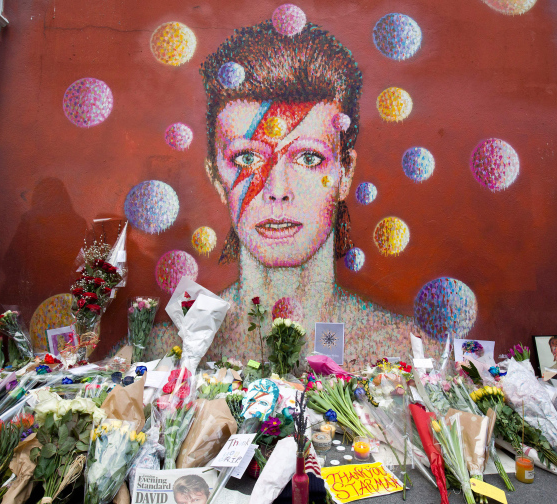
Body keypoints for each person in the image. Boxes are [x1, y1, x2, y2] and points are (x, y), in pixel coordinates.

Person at [145, 20, 423, 369]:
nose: (276, 190)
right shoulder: (168, 347)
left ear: (345, 174)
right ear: (216, 176)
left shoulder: (398, 349)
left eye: (309, 158)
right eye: (247, 158)